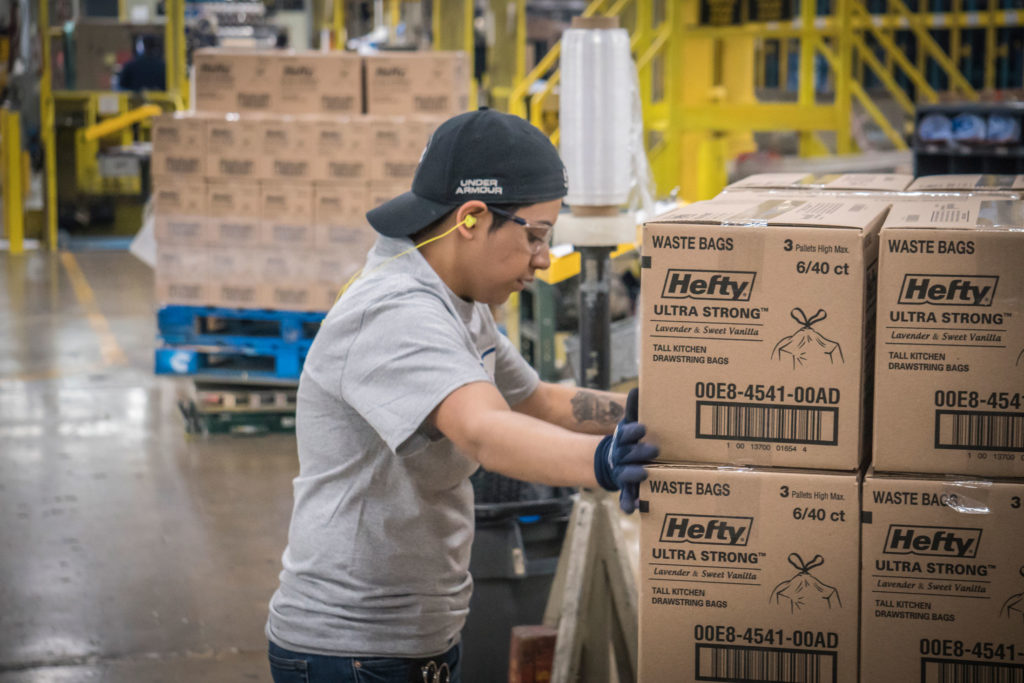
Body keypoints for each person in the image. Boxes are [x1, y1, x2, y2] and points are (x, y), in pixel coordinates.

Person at [265, 108, 658, 683]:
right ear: (472, 218)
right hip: (351, 650)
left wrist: (654, 417)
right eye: (536, 235)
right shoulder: (396, 311)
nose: (544, 259)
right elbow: (485, 430)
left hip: (412, 637)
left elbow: (540, 401)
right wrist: (604, 462)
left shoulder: (461, 304)